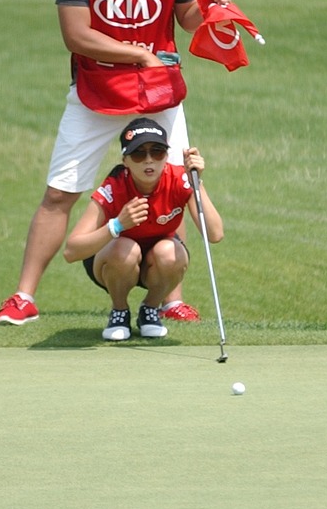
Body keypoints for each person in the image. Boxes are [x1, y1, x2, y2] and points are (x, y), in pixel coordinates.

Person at [0, 0, 233, 327]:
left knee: (174, 183)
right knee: (60, 193)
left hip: (158, 90)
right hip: (97, 89)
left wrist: (212, 5)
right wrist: (134, 53)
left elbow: (186, 19)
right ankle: (23, 297)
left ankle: (170, 297)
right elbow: (76, 35)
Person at [63, 118, 223, 341]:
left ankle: (150, 309)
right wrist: (117, 225)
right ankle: (119, 311)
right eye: (139, 154)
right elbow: (71, 251)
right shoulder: (115, 185)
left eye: (157, 152)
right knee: (124, 247)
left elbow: (215, 234)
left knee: (170, 252)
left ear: (166, 157)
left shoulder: (179, 179)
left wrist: (196, 182)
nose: (149, 160)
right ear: (125, 160)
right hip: (112, 261)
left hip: (156, 263)